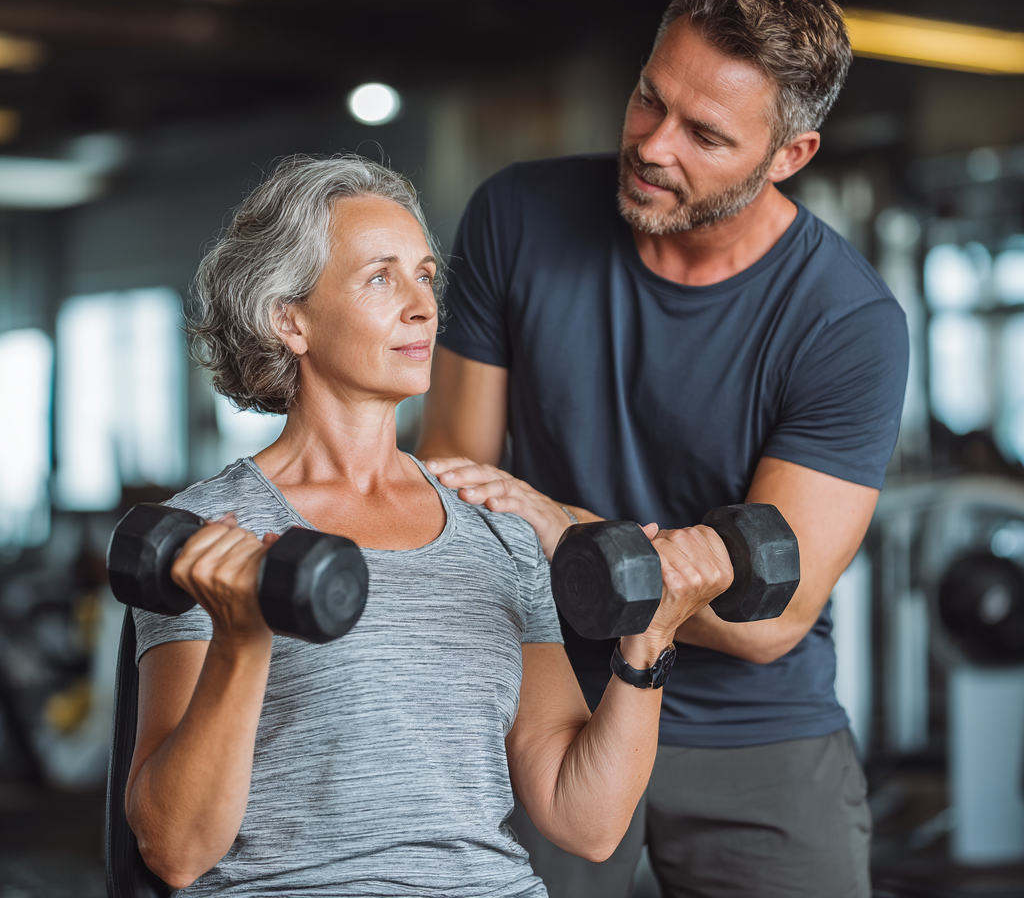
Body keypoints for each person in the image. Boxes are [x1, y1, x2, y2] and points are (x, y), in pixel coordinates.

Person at [418, 0, 910, 898]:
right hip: (546, 694)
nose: (651, 144)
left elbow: (772, 624)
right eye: (649, 97)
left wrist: (562, 530)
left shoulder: (847, 322)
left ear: (789, 156)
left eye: (706, 135)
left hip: (753, 730)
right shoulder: (515, 218)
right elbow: (456, 490)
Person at [123, 155, 734, 898]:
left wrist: (650, 641)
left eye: (425, 275)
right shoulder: (209, 534)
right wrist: (242, 641)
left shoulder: (497, 528)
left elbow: (587, 823)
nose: (422, 306)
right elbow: (175, 849)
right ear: (291, 319)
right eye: (380, 277)